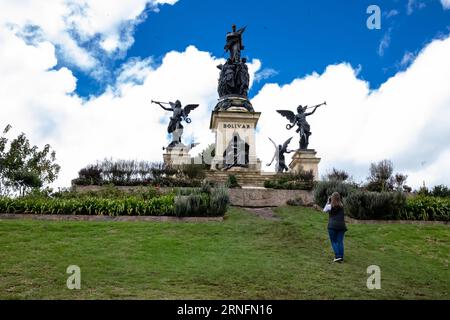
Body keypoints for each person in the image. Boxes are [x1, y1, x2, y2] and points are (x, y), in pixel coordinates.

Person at [323, 192, 347, 263]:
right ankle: (341, 257)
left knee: (334, 241)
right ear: (339, 198)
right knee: (340, 242)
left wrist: (328, 201)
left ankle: (337, 256)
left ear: (331, 198)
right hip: (342, 226)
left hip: (332, 226)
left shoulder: (329, 206)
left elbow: (324, 210)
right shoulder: (342, 206)